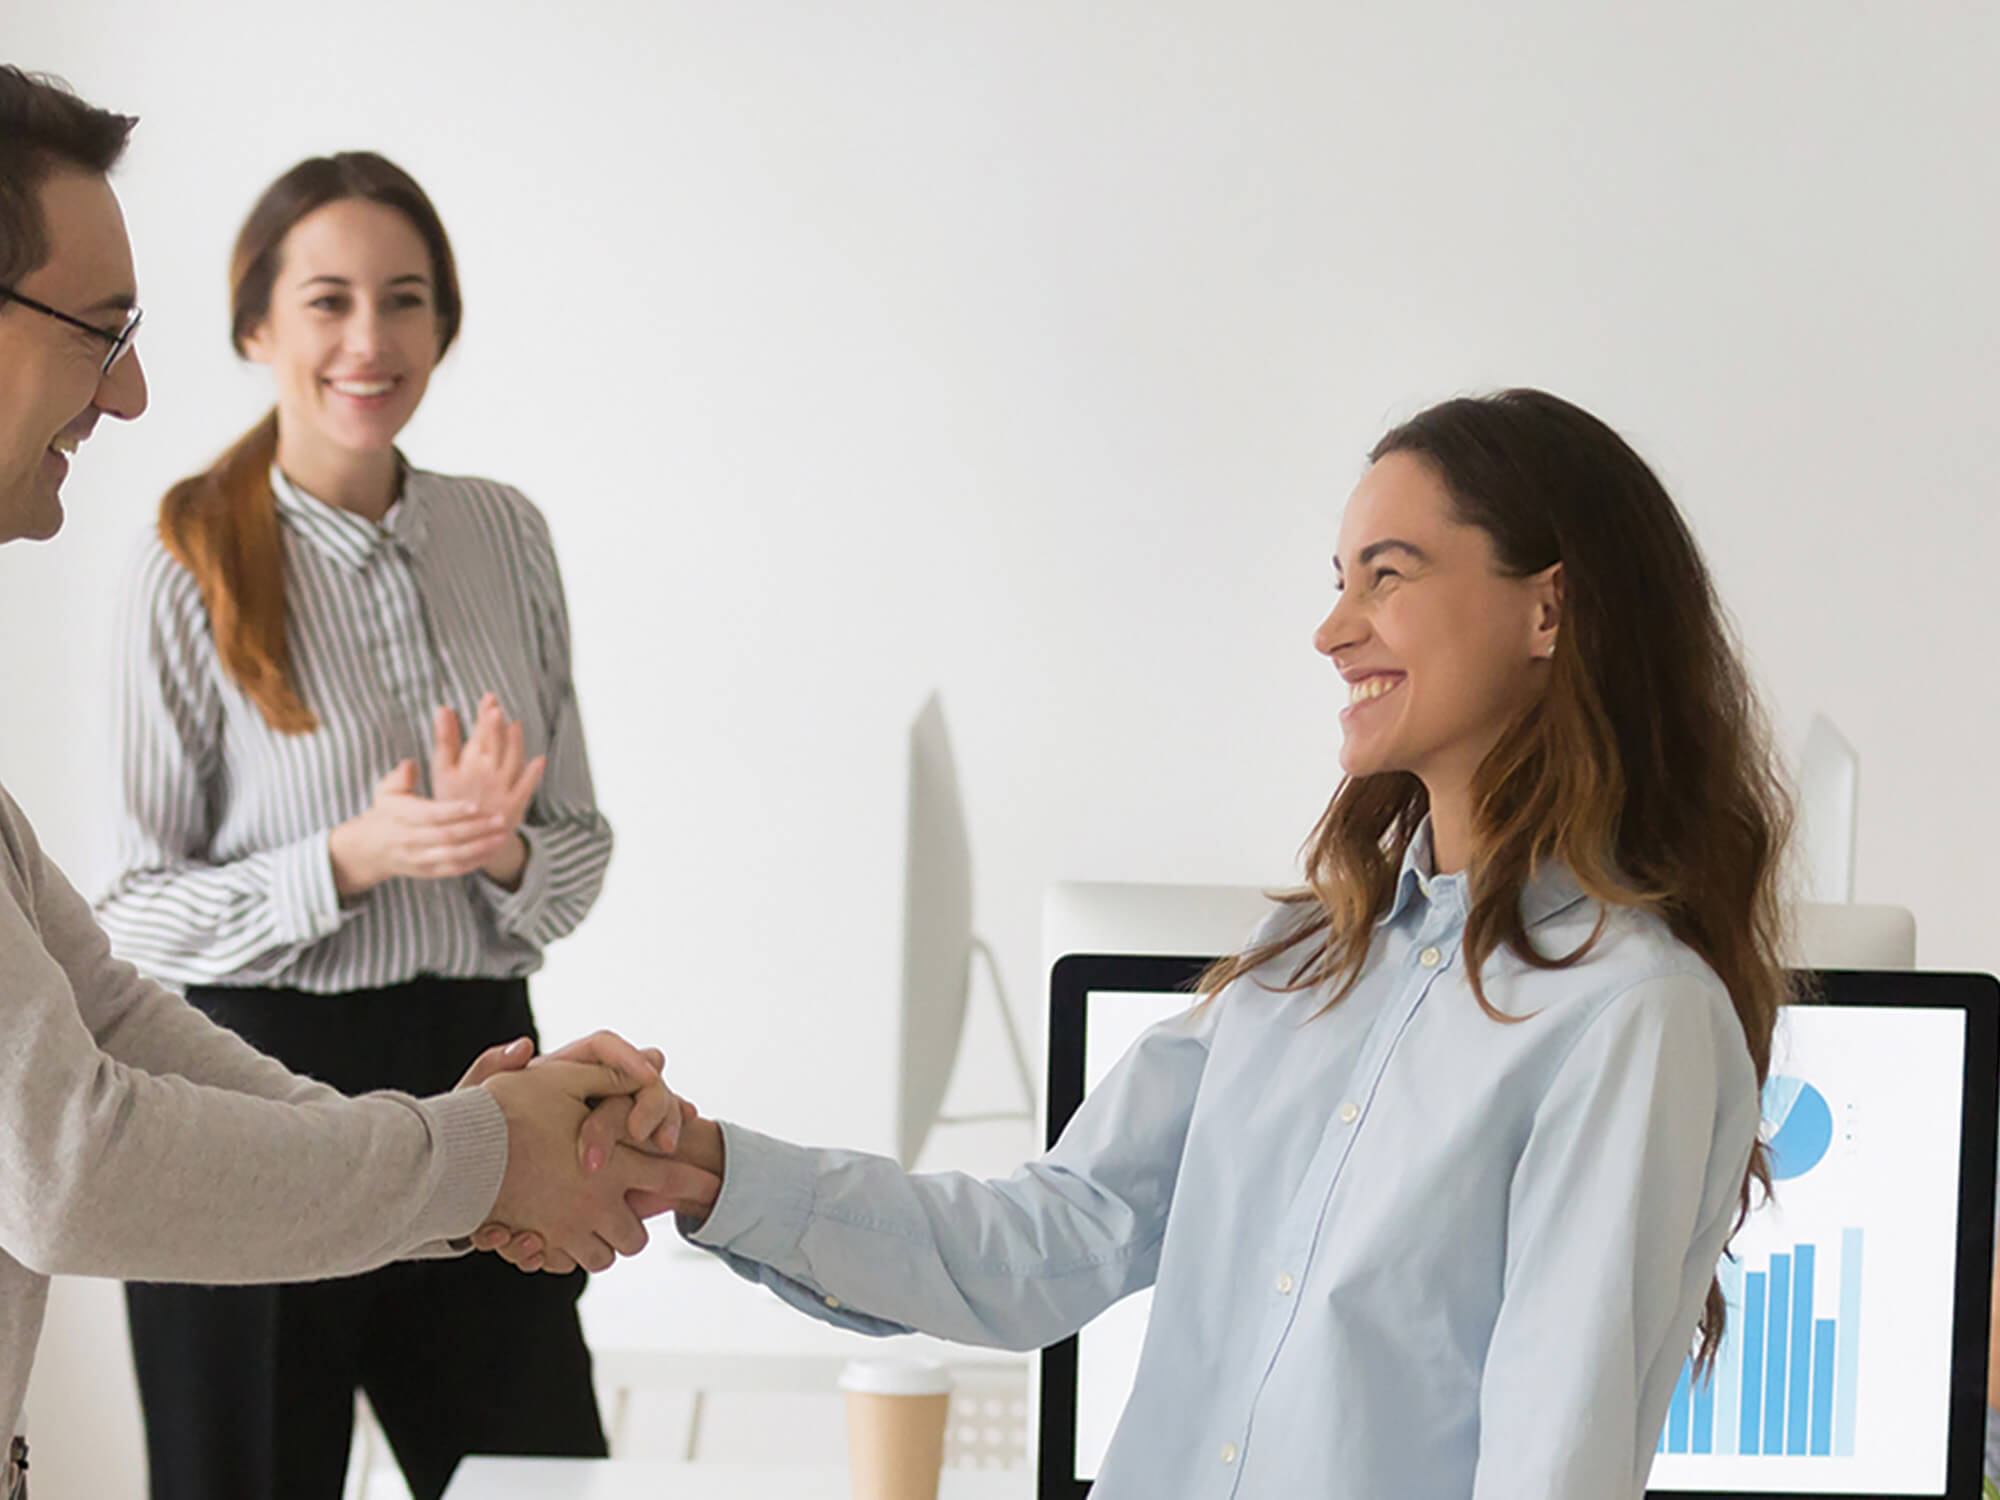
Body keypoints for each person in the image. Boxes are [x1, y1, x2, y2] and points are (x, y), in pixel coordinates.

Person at [487, 389, 1793, 1497]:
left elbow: (1549, 1463)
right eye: (1339, 583)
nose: (1334, 629)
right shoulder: (1306, 964)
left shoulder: (1631, 1016)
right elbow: (1044, 1242)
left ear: (1547, 610)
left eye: (1388, 577)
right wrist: (705, 1169)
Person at [0, 65, 707, 1500]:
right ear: (259, 325)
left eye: (405, 298)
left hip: (467, 1046)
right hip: (247, 1067)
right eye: (328, 300)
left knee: (537, 1476)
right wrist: (351, 860)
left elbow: (100, 997)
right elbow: (118, 992)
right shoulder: (185, 558)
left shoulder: (507, 537)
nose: (371, 337)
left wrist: (502, 864)